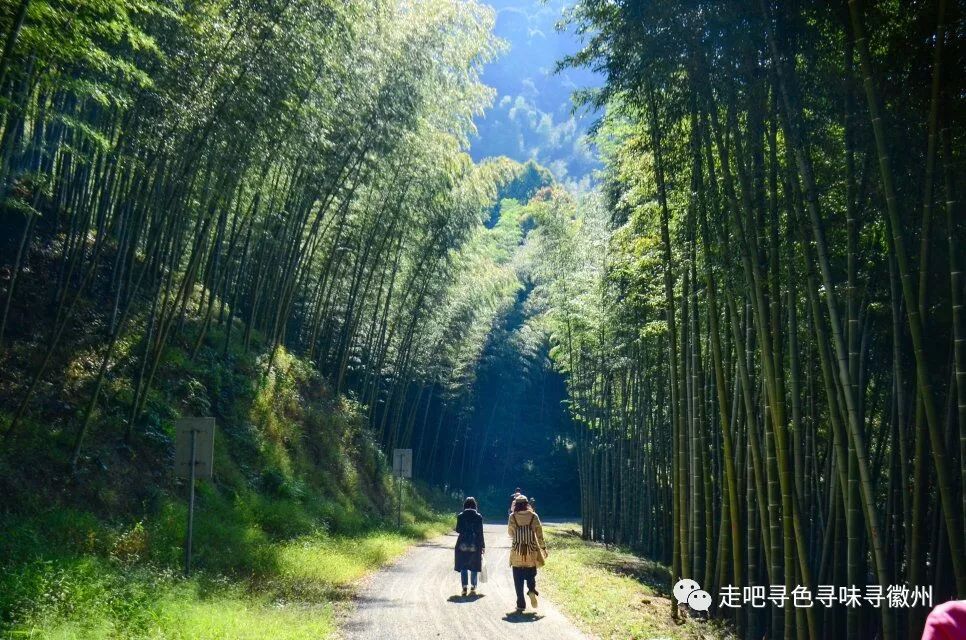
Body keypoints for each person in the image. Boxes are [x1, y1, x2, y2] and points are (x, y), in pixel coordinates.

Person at [507, 494, 547, 612]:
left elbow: (510, 533)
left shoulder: (512, 517)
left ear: (516, 505)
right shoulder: (533, 516)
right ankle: (531, 590)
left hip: (517, 552)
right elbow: (539, 534)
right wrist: (543, 548)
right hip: (531, 551)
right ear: (526, 504)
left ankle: (520, 603)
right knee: (531, 574)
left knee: (517, 578)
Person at [454, 497, 485, 596]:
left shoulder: (460, 516)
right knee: (474, 564)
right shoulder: (478, 516)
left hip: (462, 542)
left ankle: (464, 587)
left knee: (463, 564)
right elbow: (480, 532)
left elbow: (458, 529)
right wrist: (483, 545)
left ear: (465, 505)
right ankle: (473, 586)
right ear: (475, 505)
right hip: (475, 543)